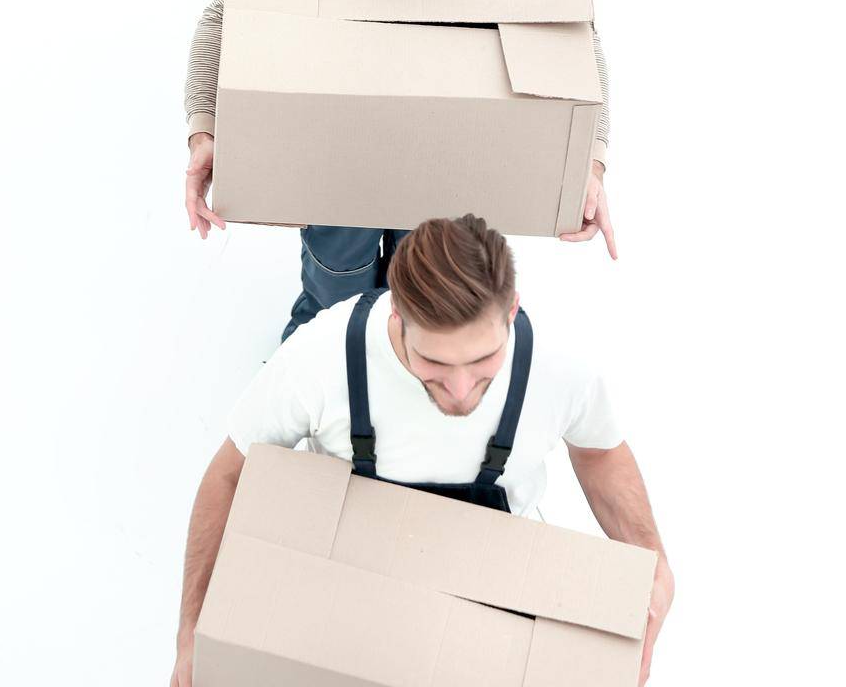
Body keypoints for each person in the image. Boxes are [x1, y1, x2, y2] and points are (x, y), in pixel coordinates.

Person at [185, 0, 614, 339]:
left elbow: (570, 34)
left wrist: (589, 160)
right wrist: (206, 132)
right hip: (339, 151)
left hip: (449, 151)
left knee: (435, 298)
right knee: (337, 297)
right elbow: (228, 14)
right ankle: (314, 377)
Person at [168, 215, 674, 687]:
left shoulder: (558, 365)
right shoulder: (320, 356)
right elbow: (230, 475)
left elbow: (600, 452)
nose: (459, 391)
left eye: (483, 361)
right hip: (342, 580)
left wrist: (653, 560)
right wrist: (191, 632)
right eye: (433, 362)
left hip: (495, 592)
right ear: (398, 312)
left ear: (512, 308)